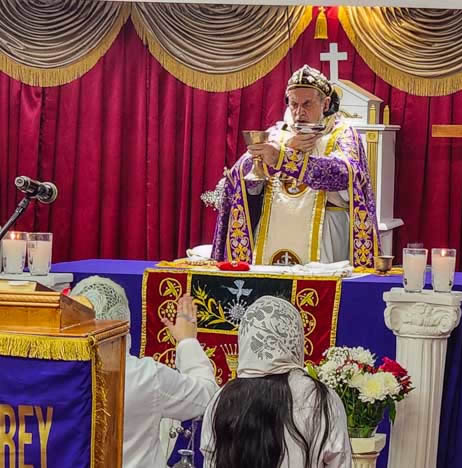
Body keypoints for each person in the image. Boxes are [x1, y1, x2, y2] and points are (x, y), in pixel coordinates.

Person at [210, 65, 378, 269]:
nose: (299, 112)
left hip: (326, 230)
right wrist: (282, 151)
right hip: (274, 228)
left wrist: (282, 158)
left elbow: (345, 174)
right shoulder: (277, 133)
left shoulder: (342, 133)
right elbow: (240, 174)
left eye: (307, 104)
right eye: (294, 104)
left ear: (325, 103)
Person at [70, 276, 219, 468]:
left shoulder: (54, 374)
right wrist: (187, 341)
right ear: (124, 324)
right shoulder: (146, 376)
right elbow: (208, 397)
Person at [201, 296, 350, 468]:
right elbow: (339, 460)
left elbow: (210, 460)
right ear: (294, 338)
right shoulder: (319, 397)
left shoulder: (221, 398)